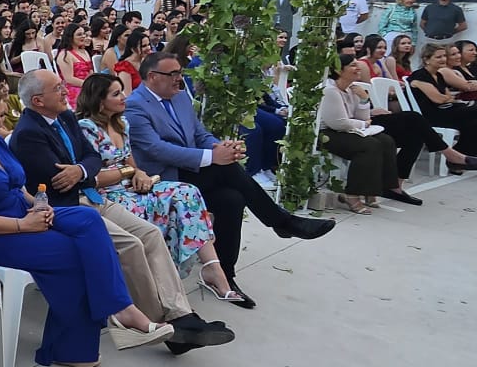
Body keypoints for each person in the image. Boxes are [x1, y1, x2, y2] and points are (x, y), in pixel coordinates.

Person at [0, 81, 174, 367]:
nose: (0, 123)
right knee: (72, 250)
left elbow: (18, 188)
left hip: (24, 213)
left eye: (2, 116)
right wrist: (23, 225)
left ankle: (121, 308)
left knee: (90, 219)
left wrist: (40, 206)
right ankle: (75, 346)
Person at [8, 69, 236, 341]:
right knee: (131, 244)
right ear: (38, 101)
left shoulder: (66, 118)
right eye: (57, 88)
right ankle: (163, 324)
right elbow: (59, 181)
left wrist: (81, 170)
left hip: (93, 196)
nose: (64, 90)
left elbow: (91, 158)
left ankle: (181, 313)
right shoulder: (28, 134)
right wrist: (88, 172)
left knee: (150, 235)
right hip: (67, 207)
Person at [124, 51, 334, 295]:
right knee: (228, 169)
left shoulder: (179, 97)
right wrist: (213, 157)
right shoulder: (135, 106)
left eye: (180, 73)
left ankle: (224, 273)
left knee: (231, 199)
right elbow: (157, 150)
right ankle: (282, 221)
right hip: (162, 177)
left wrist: (218, 146)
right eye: (173, 74)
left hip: (191, 171)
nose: (179, 79)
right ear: (152, 76)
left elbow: (199, 133)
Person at [71, 72, 249, 307]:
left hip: (131, 186)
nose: (124, 96)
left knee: (188, 192)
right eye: (116, 94)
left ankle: (213, 271)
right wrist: (129, 173)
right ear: (99, 101)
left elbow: (130, 161)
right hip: (106, 193)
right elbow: (91, 178)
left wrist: (140, 174)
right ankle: (163, 280)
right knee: (162, 204)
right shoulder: (86, 129)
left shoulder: (121, 123)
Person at [316, 59, 411, 213]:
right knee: (369, 146)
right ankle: (352, 194)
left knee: (386, 141)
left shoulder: (352, 89)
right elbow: (338, 123)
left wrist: (364, 99)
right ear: (340, 71)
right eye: (352, 65)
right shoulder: (330, 90)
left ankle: (373, 190)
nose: (358, 68)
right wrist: (363, 125)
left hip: (347, 129)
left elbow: (361, 116)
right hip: (325, 133)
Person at [408, 44, 477, 172]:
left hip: (445, 110)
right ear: (426, 59)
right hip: (430, 115)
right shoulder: (419, 76)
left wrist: (446, 98)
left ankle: (463, 157)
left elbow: (447, 97)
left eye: (444, 56)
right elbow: (438, 99)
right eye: (438, 57)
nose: (443, 59)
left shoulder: (438, 76)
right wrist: (445, 98)